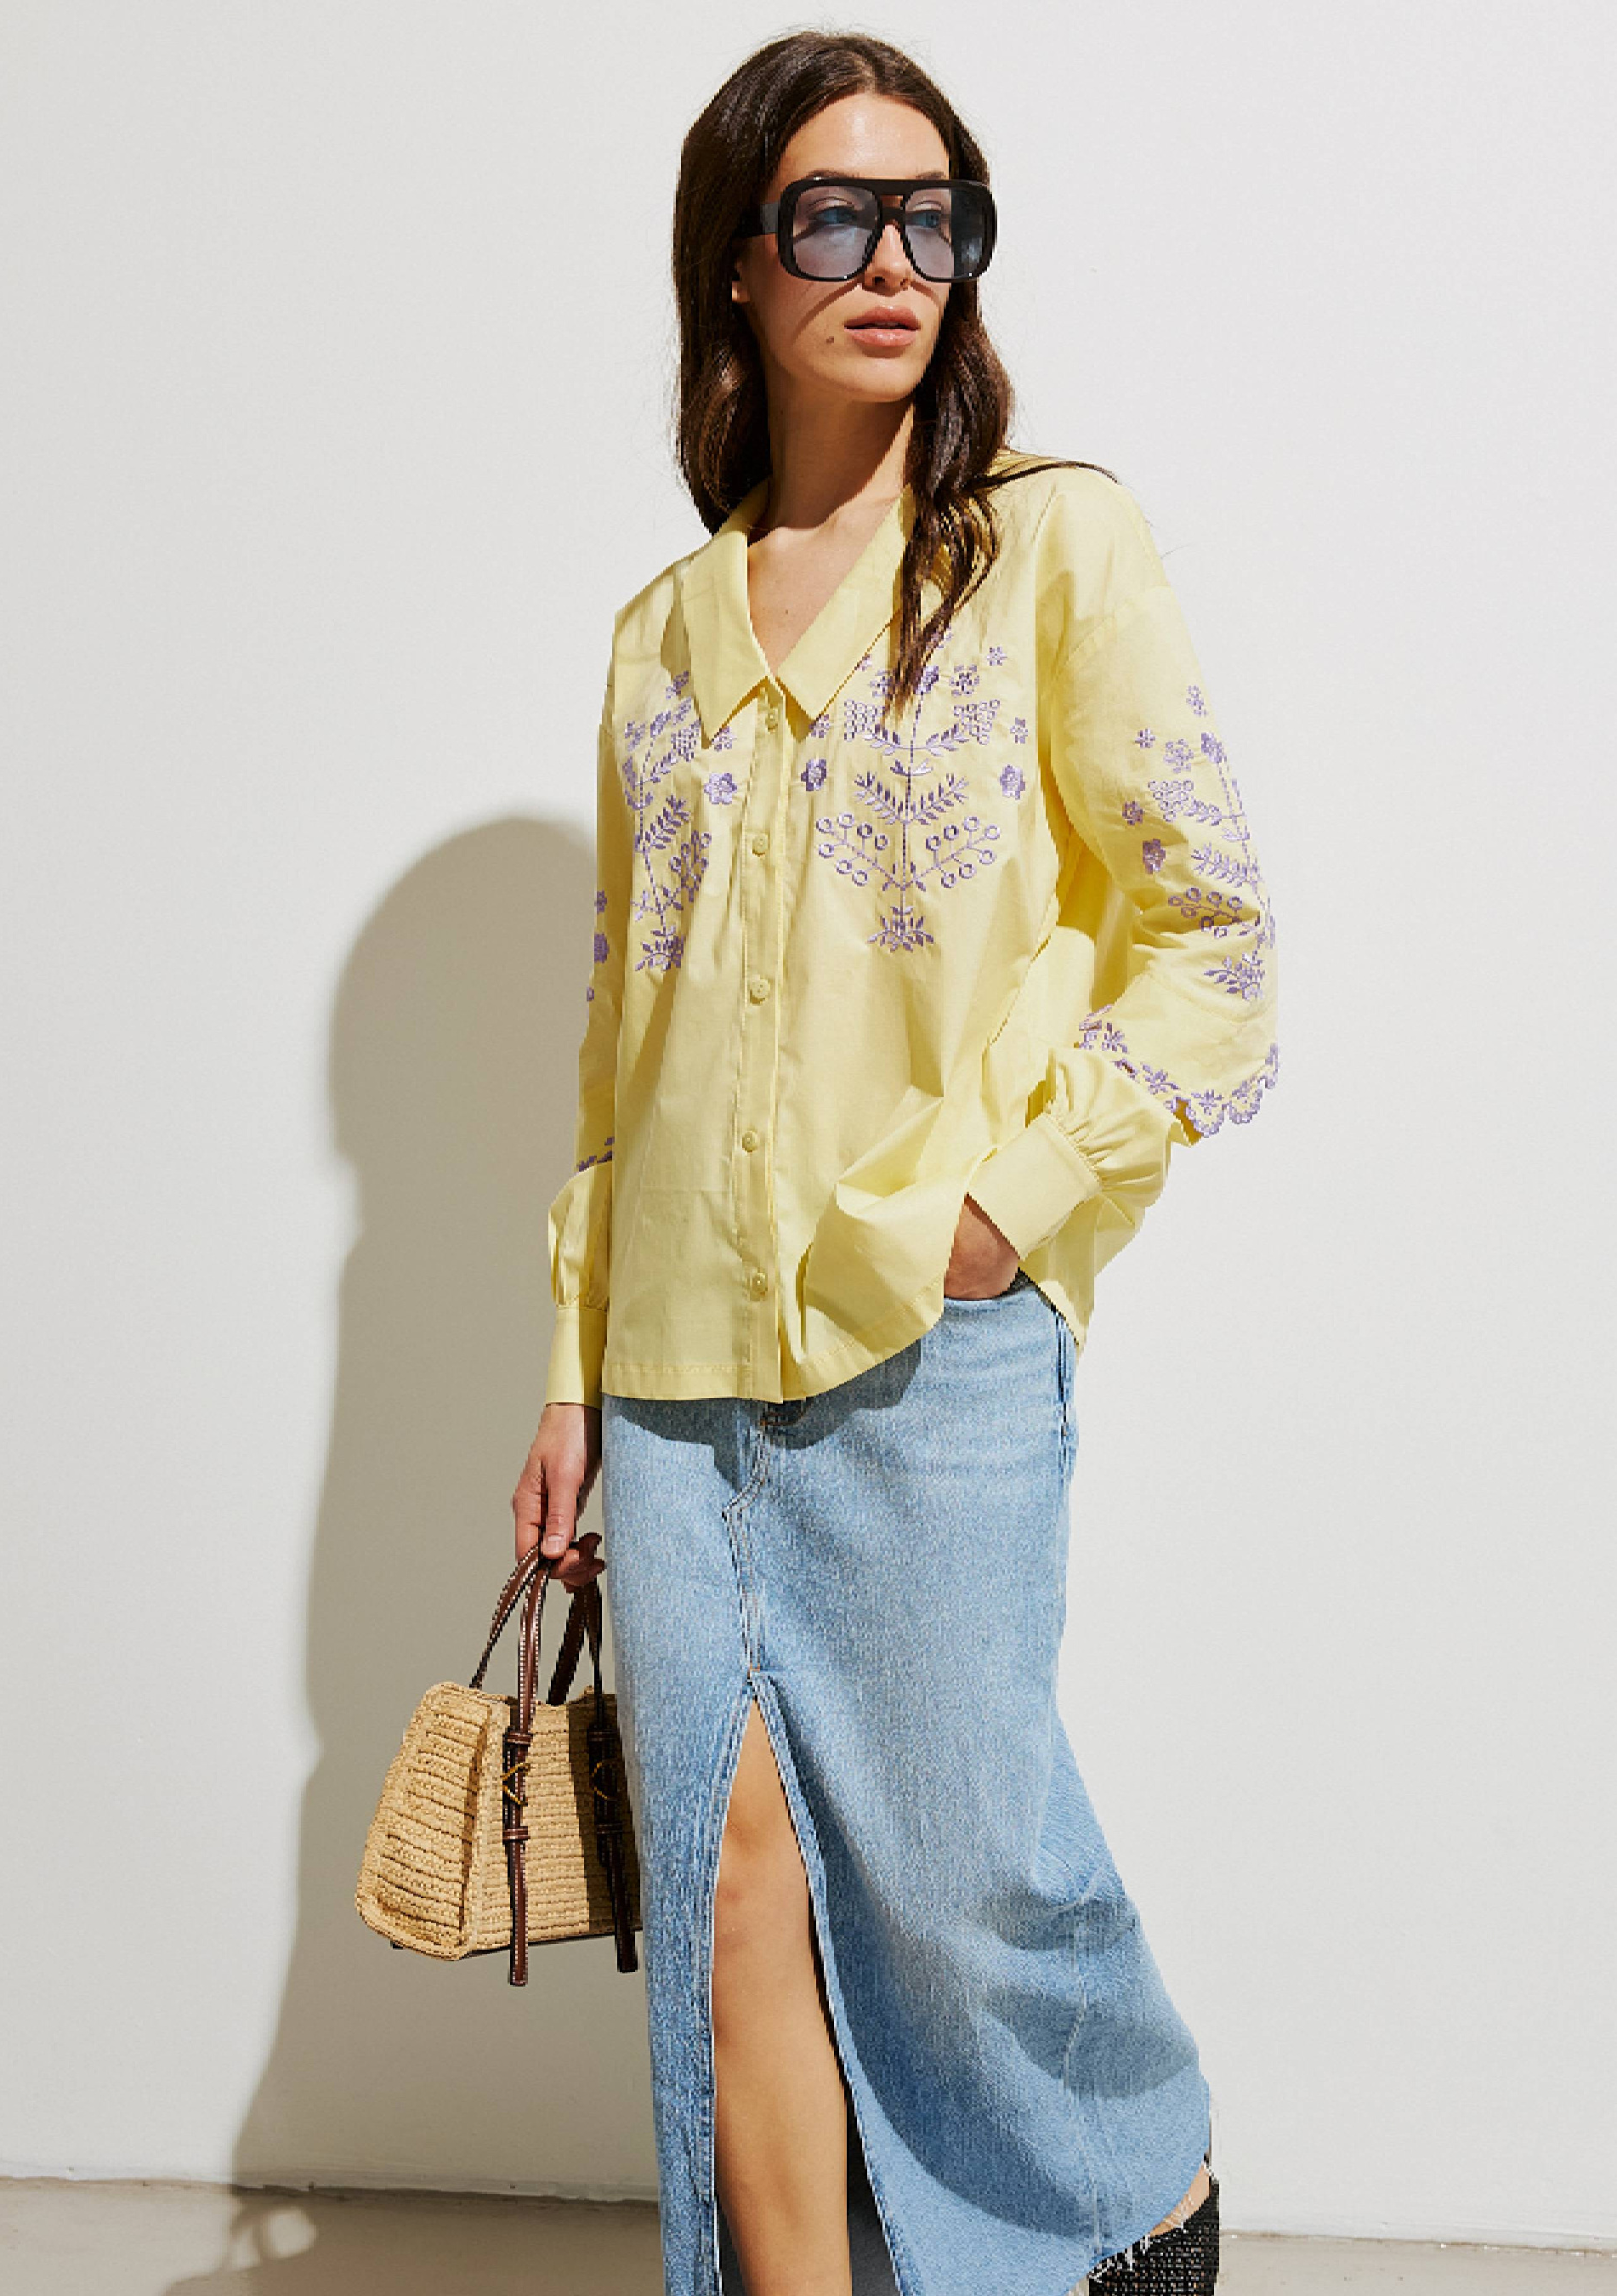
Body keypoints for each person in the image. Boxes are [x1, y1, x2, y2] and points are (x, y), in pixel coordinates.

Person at [511, 30, 1277, 2296]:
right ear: (735, 266)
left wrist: (1002, 1215)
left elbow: (1215, 940)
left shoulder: (1043, 546)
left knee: (955, 1873)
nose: (892, 262)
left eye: (933, 217)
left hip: (924, 1340)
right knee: (727, 1873)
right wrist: (566, 1374)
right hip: (670, 1363)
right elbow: (619, 1043)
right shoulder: (659, 634)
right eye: (834, 215)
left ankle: (1133, 2201)